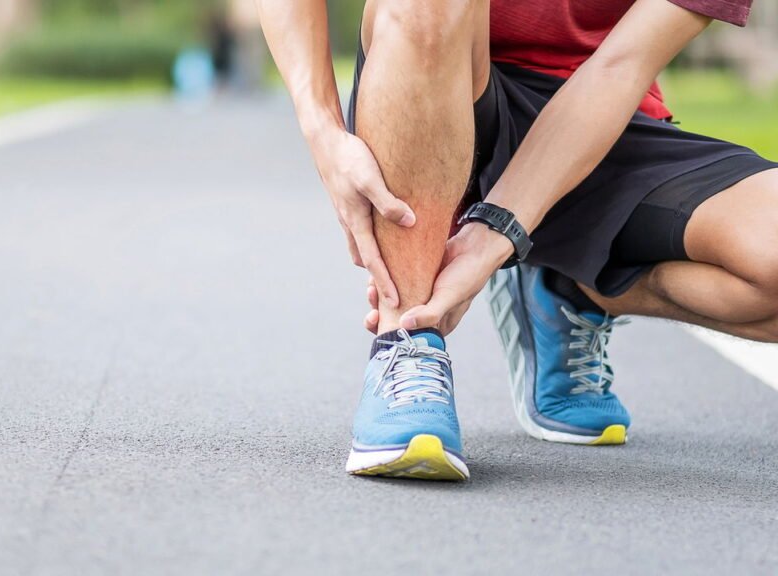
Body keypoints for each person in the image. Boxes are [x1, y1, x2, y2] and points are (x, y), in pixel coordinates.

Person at [255, 0, 777, 481]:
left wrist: (501, 228)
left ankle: (569, 286)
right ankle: (407, 343)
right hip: (440, 80)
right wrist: (322, 130)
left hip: (601, 109)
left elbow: (621, 65)